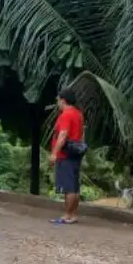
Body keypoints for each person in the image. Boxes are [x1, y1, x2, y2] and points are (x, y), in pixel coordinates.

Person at [49, 89, 85, 225]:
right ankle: (73, 215)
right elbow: (81, 135)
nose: (57, 103)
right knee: (74, 186)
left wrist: (54, 153)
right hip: (76, 153)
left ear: (63, 100)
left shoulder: (66, 114)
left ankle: (67, 215)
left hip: (65, 154)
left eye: (58, 100)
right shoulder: (78, 114)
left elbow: (63, 135)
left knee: (68, 187)